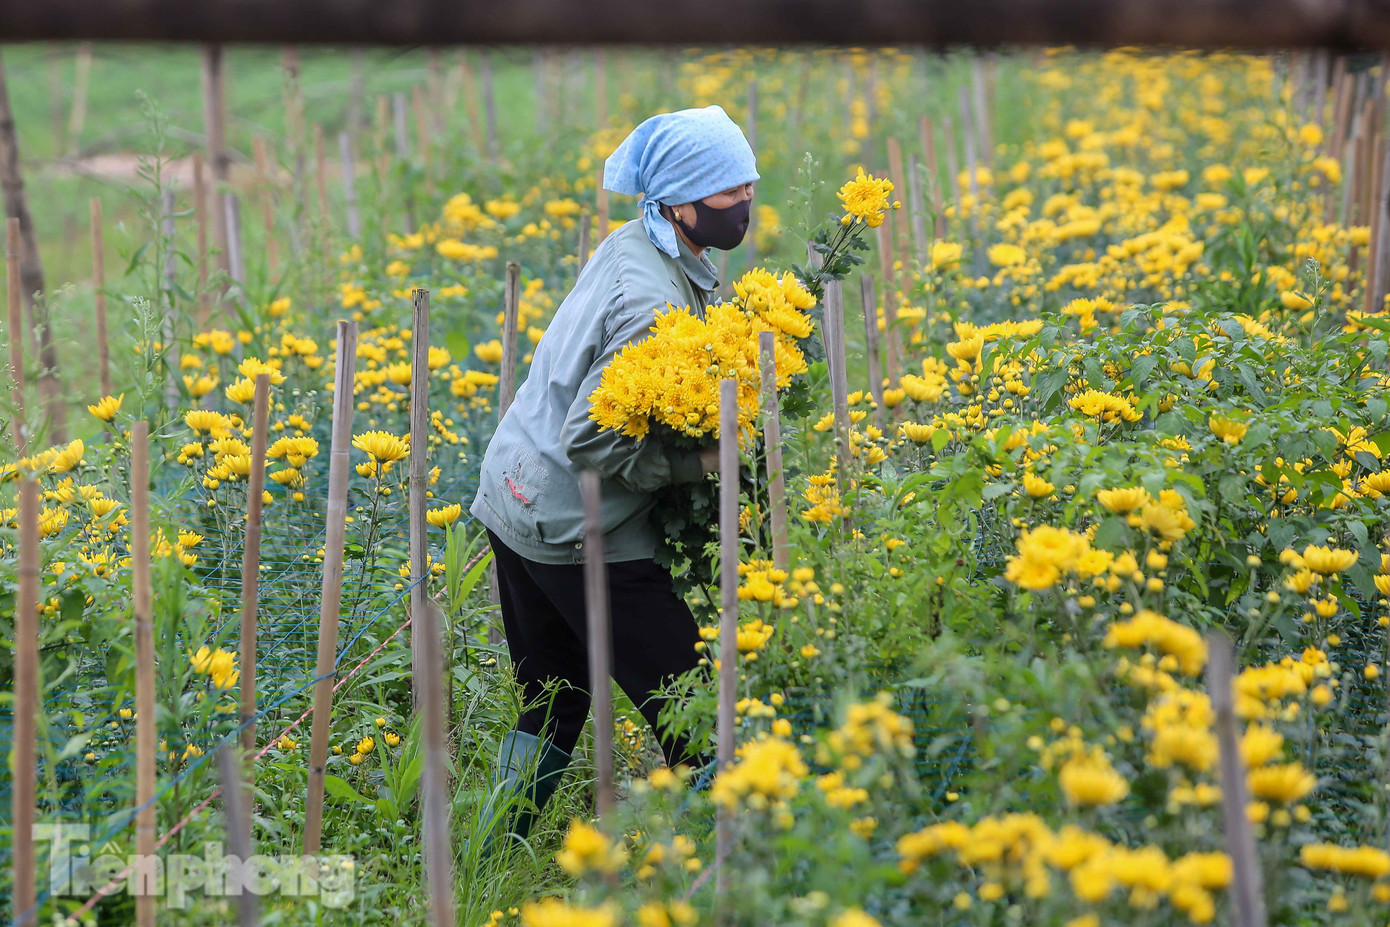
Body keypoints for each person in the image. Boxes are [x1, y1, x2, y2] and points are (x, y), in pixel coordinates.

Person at [468, 104, 758, 848]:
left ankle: (491, 851)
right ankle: (721, 867)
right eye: (730, 191)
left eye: (749, 184)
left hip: (517, 493)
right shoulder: (651, 301)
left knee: (552, 699)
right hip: (577, 526)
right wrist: (703, 462)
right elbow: (593, 435)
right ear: (680, 201)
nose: (746, 202)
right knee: (698, 710)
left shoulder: (636, 242)